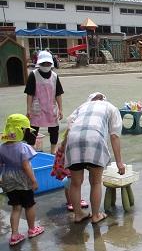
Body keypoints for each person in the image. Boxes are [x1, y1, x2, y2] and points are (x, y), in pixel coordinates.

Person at [65, 92, 125, 224]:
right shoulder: (111, 107)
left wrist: (62, 147)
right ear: (104, 100)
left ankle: (78, 214)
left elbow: (69, 123)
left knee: (75, 183)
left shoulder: (83, 106)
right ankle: (96, 215)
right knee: (96, 182)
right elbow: (114, 136)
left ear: (90, 100)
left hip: (73, 140)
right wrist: (119, 162)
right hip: (94, 140)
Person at [0, 114, 45, 246]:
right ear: (21, 130)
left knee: (16, 207)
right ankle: (32, 229)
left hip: (8, 177)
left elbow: (0, 165)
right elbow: (26, 166)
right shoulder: (23, 147)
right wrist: (34, 180)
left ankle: (14, 235)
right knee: (29, 205)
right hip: (23, 179)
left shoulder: (2, 147)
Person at [23, 50, 64, 154]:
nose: (46, 65)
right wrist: (28, 109)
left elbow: (58, 94)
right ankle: (30, 149)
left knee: (54, 128)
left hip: (51, 107)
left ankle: (53, 149)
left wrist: (61, 109)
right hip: (37, 107)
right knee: (33, 128)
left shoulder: (54, 76)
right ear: (39, 63)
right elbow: (30, 94)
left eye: (48, 63)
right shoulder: (33, 75)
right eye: (43, 63)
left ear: (51, 63)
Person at [50, 129, 88, 211]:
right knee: (71, 184)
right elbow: (65, 157)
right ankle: (71, 202)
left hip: (67, 166)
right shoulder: (67, 144)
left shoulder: (66, 142)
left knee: (73, 184)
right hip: (68, 167)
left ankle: (75, 199)